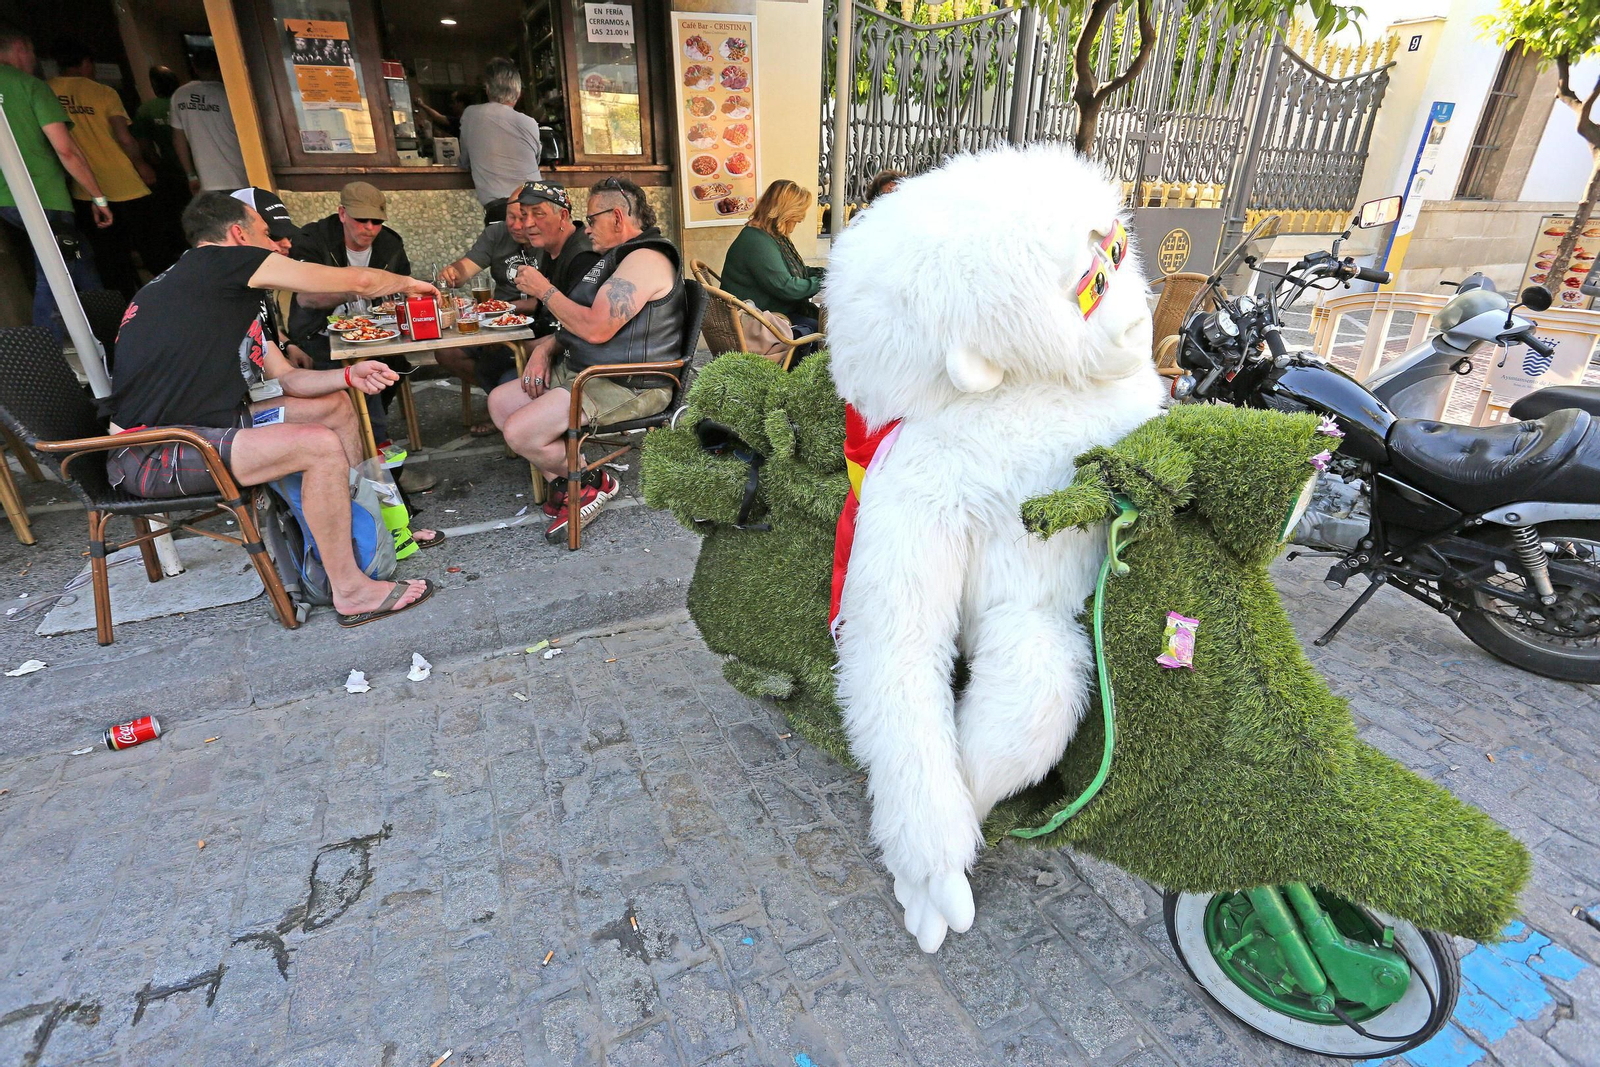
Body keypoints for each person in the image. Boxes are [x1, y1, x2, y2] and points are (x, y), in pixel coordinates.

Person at [105, 192, 436, 626]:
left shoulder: (218, 294)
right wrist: (411, 285)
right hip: (152, 450)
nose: (282, 246)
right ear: (238, 235)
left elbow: (289, 379)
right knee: (316, 447)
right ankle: (350, 589)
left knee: (335, 407)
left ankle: (377, 534)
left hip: (198, 429)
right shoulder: (217, 263)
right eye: (268, 235)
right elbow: (357, 282)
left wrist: (349, 377)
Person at [489, 177, 682, 541]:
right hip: (590, 369)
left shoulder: (646, 259)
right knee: (500, 402)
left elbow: (595, 329)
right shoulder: (618, 255)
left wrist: (543, 290)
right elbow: (578, 321)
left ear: (617, 217)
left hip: (630, 381)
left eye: (592, 219)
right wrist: (548, 347)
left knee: (520, 431)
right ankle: (573, 486)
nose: (586, 227)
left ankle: (594, 481)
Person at [436, 180, 599, 432]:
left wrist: (537, 349)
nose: (525, 224)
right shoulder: (548, 246)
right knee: (485, 359)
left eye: (538, 214)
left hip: (574, 360)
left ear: (563, 216)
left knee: (501, 377)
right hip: (542, 337)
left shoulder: (582, 255)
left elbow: (582, 328)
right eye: (523, 216)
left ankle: (533, 429)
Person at [286, 181, 413, 469]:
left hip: (377, 335)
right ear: (342, 214)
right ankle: (379, 464)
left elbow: (402, 293)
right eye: (361, 219)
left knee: (396, 367)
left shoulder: (390, 243)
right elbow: (308, 299)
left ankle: (373, 447)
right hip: (318, 335)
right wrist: (361, 288)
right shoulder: (313, 239)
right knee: (363, 380)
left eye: (377, 221)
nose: (369, 227)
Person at [0, 23, 109, 341]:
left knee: (78, 256)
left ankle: (108, 330)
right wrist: (98, 197)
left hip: (7, 200)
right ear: (21, 47)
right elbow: (66, 149)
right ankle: (45, 347)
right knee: (55, 267)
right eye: (32, 51)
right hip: (43, 195)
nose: (34, 59)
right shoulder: (30, 86)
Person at [48, 40, 160, 298]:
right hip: (125, 184)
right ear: (86, 63)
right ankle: (165, 298)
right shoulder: (103, 92)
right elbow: (124, 137)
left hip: (85, 189)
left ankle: (124, 305)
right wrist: (142, 164)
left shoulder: (46, 92)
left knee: (110, 257)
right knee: (151, 248)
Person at [718, 179, 824, 336]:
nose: (800, 220)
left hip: (768, 316)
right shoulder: (756, 241)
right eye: (797, 217)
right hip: (758, 324)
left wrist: (819, 273)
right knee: (826, 331)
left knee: (827, 323)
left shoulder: (767, 235)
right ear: (785, 214)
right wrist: (822, 281)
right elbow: (787, 287)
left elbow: (788, 271)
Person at [230, 186, 313, 372]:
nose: (287, 244)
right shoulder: (231, 289)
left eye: (288, 235)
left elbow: (263, 326)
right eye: (272, 235)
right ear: (240, 234)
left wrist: (288, 344)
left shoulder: (255, 276)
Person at [458, 58, 542, 226]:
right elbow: (536, 160)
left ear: (487, 88)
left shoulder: (471, 115)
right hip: (536, 204)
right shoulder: (529, 122)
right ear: (518, 92)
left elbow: (464, 161)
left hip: (500, 210)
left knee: (504, 252)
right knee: (537, 252)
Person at [130, 65, 189, 270]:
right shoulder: (185, 102)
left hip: (170, 169)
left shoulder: (147, 109)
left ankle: (184, 250)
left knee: (176, 213)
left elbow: (143, 143)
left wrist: (152, 162)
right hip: (196, 167)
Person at [171, 50, 247, 194]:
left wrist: (191, 175)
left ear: (194, 67)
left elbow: (178, 140)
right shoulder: (230, 94)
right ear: (219, 67)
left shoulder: (180, 95)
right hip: (241, 176)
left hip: (206, 181)